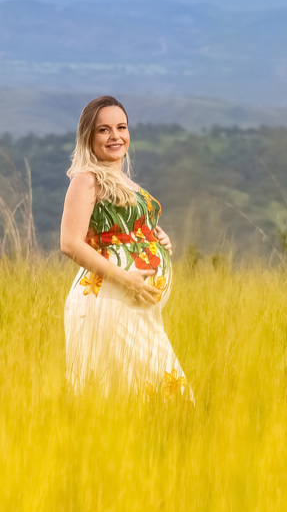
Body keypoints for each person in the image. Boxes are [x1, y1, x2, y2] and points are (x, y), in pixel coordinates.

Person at [59, 95, 191, 400]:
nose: (115, 136)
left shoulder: (128, 183)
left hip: (135, 309)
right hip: (108, 302)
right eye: (104, 130)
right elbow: (69, 242)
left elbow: (123, 230)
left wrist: (159, 241)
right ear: (88, 137)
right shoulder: (87, 179)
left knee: (160, 402)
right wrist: (124, 277)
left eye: (121, 127)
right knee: (133, 402)